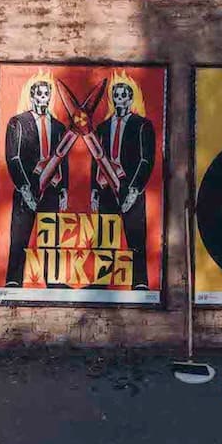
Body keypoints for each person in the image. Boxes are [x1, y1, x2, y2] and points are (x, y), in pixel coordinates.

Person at [91, 81, 155, 289]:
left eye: (123, 96)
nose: (119, 100)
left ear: (130, 99)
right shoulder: (102, 127)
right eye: (116, 96)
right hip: (106, 188)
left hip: (131, 186)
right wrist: (94, 190)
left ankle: (140, 282)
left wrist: (134, 189)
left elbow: (146, 159)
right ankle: (102, 283)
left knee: (136, 236)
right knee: (105, 237)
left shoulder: (142, 125)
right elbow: (96, 158)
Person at [4, 80, 69, 286]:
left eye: (46, 94)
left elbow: (63, 159)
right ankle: (13, 281)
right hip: (27, 186)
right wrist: (24, 188)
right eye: (39, 94)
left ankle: (53, 282)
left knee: (51, 237)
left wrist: (64, 189)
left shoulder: (58, 126)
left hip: (52, 189)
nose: (43, 98)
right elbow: (13, 157)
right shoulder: (18, 122)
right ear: (32, 97)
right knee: (20, 236)